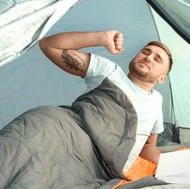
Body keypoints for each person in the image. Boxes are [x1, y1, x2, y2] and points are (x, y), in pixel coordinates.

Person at [39, 30, 173, 180]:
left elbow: (148, 147)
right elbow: (47, 45)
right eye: (145, 52)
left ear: (162, 79)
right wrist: (100, 38)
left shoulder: (156, 101)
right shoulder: (109, 71)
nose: (148, 57)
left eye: (157, 59)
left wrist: (174, 168)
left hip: (109, 168)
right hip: (74, 143)